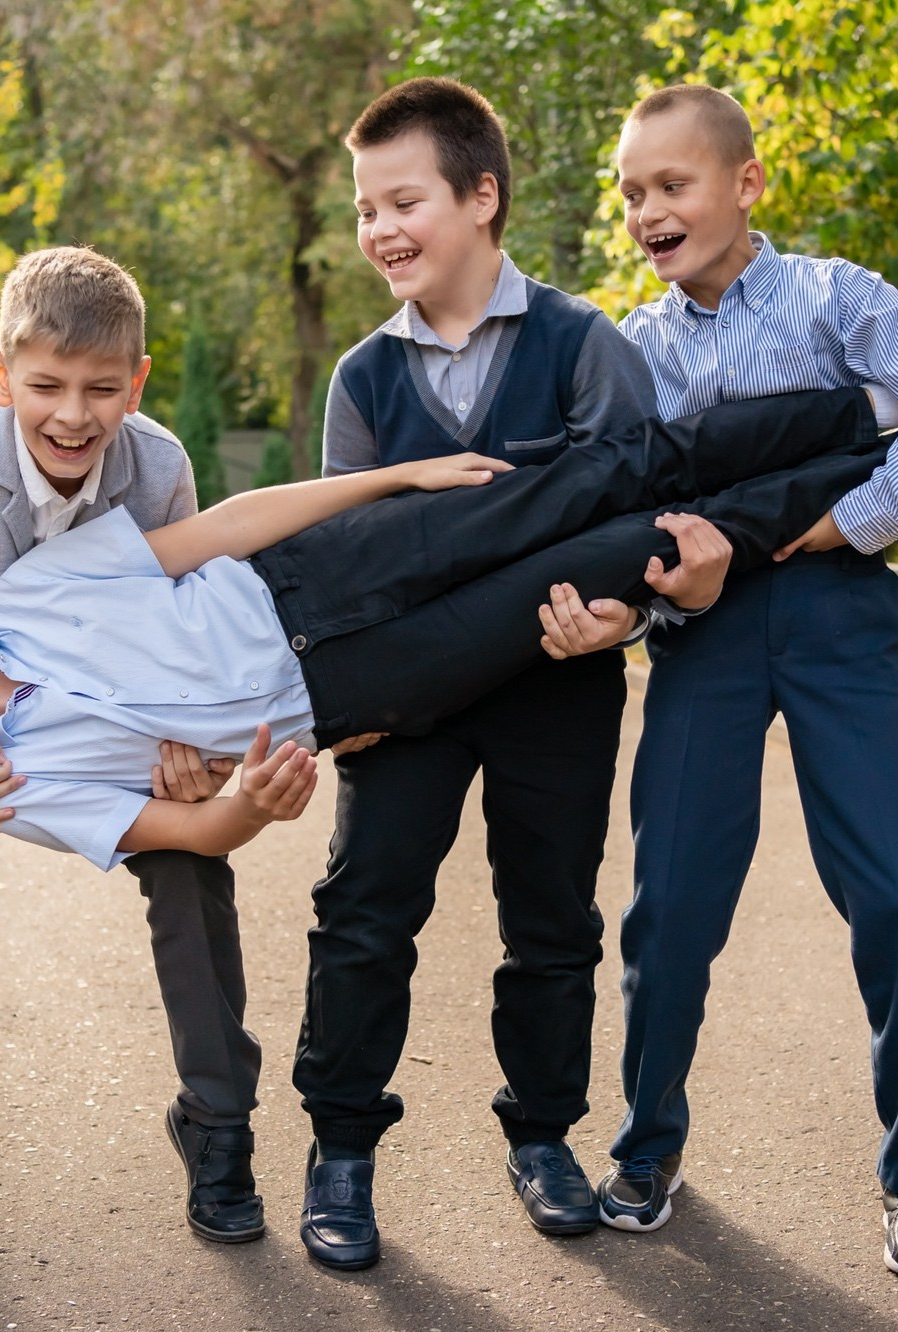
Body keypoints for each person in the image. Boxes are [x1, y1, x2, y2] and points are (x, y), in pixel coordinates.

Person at [546, 84, 898, 1278]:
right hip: (704, 635)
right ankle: (646, 1144)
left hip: (838, 609)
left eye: (671, 185)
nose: (647, 211)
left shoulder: (837, 298)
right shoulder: (631, 348)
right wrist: (630, 606)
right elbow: (625, 514)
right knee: (669, 909)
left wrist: (850, 521)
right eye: (631, 193)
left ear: (745, 185)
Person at [0, 387, 898, 869]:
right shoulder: (11, 789)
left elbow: (222, 527)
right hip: (356, 690)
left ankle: (883, 411)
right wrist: (241, 802)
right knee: (620, 549)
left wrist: (397, 478)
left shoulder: (19, 595)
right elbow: (193, 834)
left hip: (310, 575)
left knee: (594, 476)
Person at [295, 76, 694, 1269]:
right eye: (365, 209)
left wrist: (615, 625)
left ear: (482, 196)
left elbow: (643, 527)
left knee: (552, 921)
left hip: (555, 689)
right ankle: (343, 1150)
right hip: (409, 705)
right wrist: (352, 695)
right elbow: (352, 560)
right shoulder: (364, 378)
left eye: (401, 199)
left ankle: (543, 1136)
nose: (379, 231)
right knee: (364, 914)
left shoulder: (585, 346)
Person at [0, 246, 267, 1262]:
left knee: (193, 866)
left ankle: (218, 1131)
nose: (72, 414)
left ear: (137, 381)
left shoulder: (158, 466)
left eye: (99, 388)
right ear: (2, 378)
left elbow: (178, 627)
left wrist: (188, 747)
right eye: (45, 387)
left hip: (110, 695)